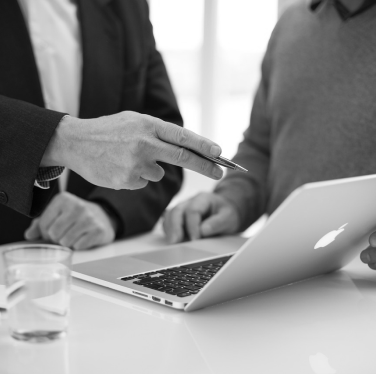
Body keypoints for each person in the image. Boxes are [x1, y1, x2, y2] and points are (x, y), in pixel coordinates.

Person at [163, 0, 376, 269]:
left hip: (363, 286)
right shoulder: (292, 24)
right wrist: (231, 201)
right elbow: (261, 147)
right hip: (280, 271)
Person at [0, 0, 223, 248]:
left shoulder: (128, 6)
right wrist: (65, 141)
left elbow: (161, 145)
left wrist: (109, 211)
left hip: (91, 264)